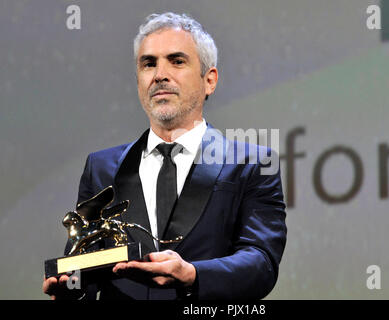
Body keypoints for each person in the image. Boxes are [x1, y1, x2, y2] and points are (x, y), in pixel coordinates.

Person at [43, 12, 287, 300]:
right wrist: (74, 292)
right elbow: (87, 264)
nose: (160, 74)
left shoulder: (253, 164)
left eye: (177, 61)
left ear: (209, 80)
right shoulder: (101, 167)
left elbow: (261, 263)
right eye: (149, 64)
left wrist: (193, 275)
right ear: (138, 82)